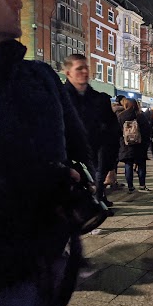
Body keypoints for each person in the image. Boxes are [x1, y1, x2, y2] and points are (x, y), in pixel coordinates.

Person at [0, 0, 93, 306]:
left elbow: (79, 147)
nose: (16, 1)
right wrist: (39, 179)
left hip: (46, 266)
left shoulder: (39, 76)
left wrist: (78, 179)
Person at [64, 54, 120, 210]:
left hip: (96, 156)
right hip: (70, 160)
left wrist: (111, 164)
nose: (84, 72)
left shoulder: (100, 99)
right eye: (79, 68)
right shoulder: (59, 98)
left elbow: (112, 131)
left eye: (86, 67)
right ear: (68, 73)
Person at [118, 98, 151, 192]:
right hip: (139, 145)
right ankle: (142, 185)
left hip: (126, 145)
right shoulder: (140, 115)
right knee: (141, 165)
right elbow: (146, 131)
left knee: (128, 165)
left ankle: (130, 186)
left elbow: (117, 131)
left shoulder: (121, 116)